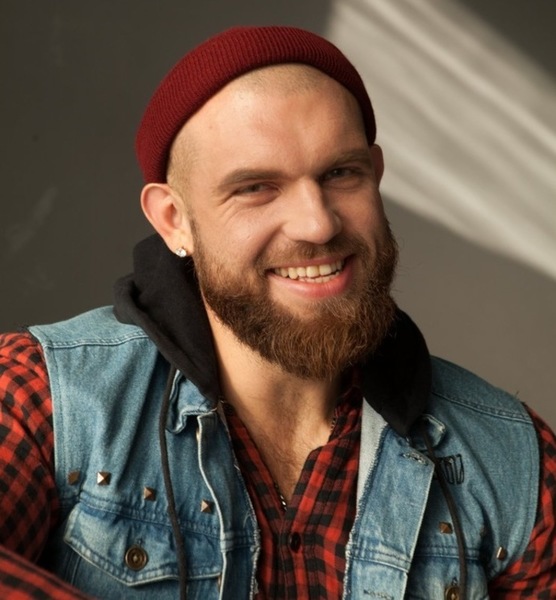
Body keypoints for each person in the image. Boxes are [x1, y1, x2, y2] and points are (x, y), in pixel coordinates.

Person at [0, 25, 555, 600]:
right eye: (257, 187)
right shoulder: (41, 397)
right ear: (174, 221)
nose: (318, 224)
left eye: (341, 173)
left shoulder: (515, 464)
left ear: (376, 175)